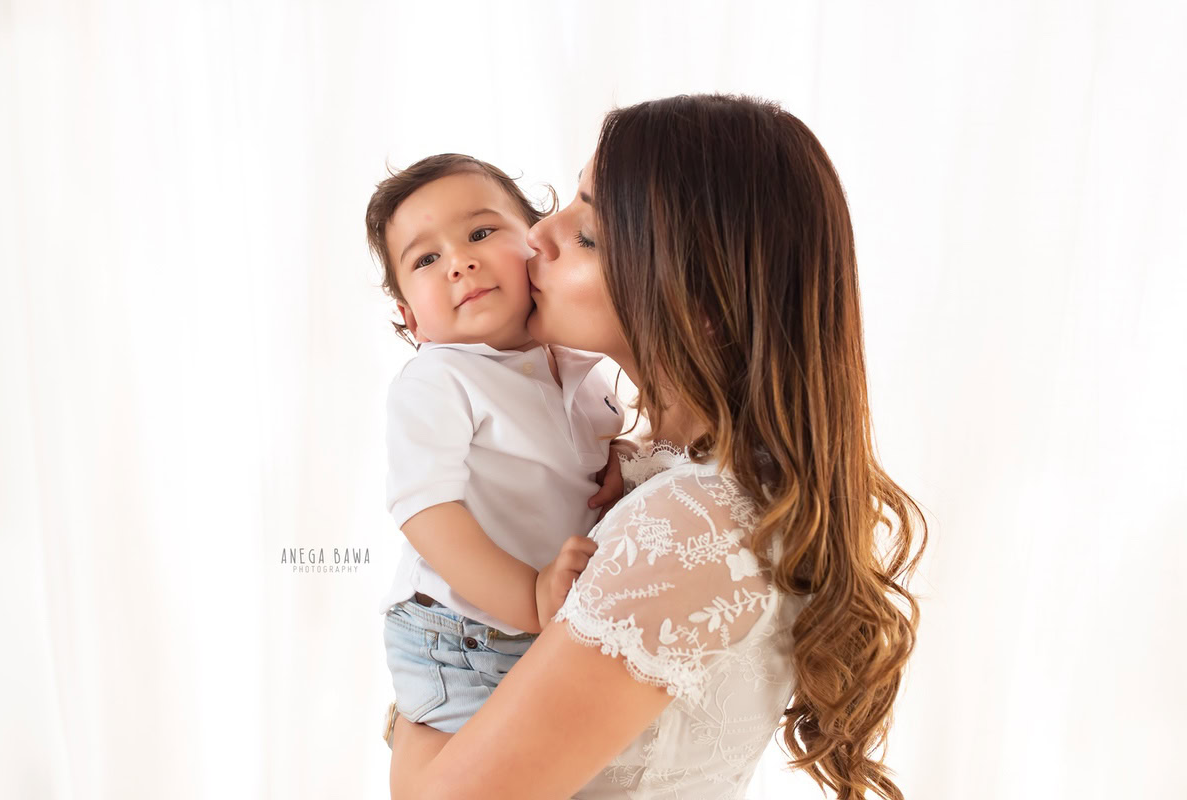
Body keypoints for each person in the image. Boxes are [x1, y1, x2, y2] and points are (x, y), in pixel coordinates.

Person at [388, 94, 928, 800]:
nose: (538, 236)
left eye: (587, 235)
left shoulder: (687, 527)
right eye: (569, 200)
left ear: (696, 305)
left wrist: (418, 704)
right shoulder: (679, 480)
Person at [364, 155, 630, 752]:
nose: (461, 261)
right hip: (460, 635)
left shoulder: (583, 368)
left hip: (539, 626)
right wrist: (528, 594)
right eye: (427, 260)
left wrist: (624, 457)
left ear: (534, 244)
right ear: (412, 322)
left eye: (481, 233)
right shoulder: (439, 377)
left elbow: (580, 455)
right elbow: (426, 511)